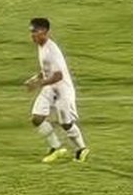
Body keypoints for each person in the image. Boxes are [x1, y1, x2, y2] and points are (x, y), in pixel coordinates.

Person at [24, 18, 89, 163]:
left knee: (66, 123)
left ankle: (81, 149)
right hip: (50, 88)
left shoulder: (51, 50)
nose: (32, 35)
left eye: (35, 31)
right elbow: (46, 70)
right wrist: (34, 79)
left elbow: (58, 76)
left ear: (45, 32)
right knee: (37, 118)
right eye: (31, 32)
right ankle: (56, 147)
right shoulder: (41, 46)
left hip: (62, 90)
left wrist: (38, 84)